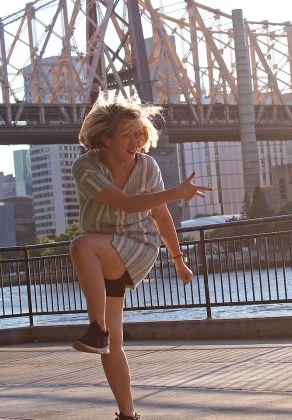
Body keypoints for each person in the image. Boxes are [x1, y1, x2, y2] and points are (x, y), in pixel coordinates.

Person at [70, 95, 211, 420]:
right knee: (112, 347)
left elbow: (159, 215)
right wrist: (177, 191)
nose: (137, 140)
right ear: (106, 138)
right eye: (128, 134)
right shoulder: (86, 166)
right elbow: (126, 203)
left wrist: (177, 258)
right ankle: (128, 415)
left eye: (139, 133)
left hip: (137, 245)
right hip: (107, 252)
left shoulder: (147, 166)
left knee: (82, 246)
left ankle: (95, 328)